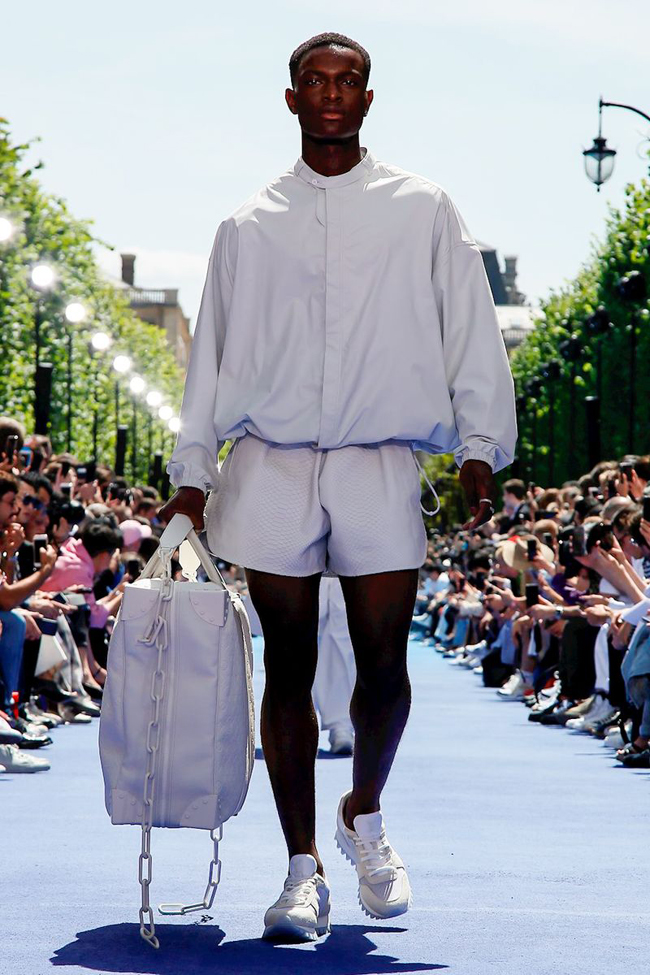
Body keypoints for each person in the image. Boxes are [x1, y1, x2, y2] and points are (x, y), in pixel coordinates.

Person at [160, 32, 516, 942]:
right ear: (290, 99)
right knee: (286, 665)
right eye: (314, 81)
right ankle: (299, 867)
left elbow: (468, 324)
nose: (330, 93)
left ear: (368, 97)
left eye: (347, 80)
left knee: (386, 665)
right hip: (271, 462)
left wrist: (482, 441)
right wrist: (191, 472)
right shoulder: (246, 224)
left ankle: (363, 810)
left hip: (379, 458)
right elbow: (214, 357)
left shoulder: (423, 208)